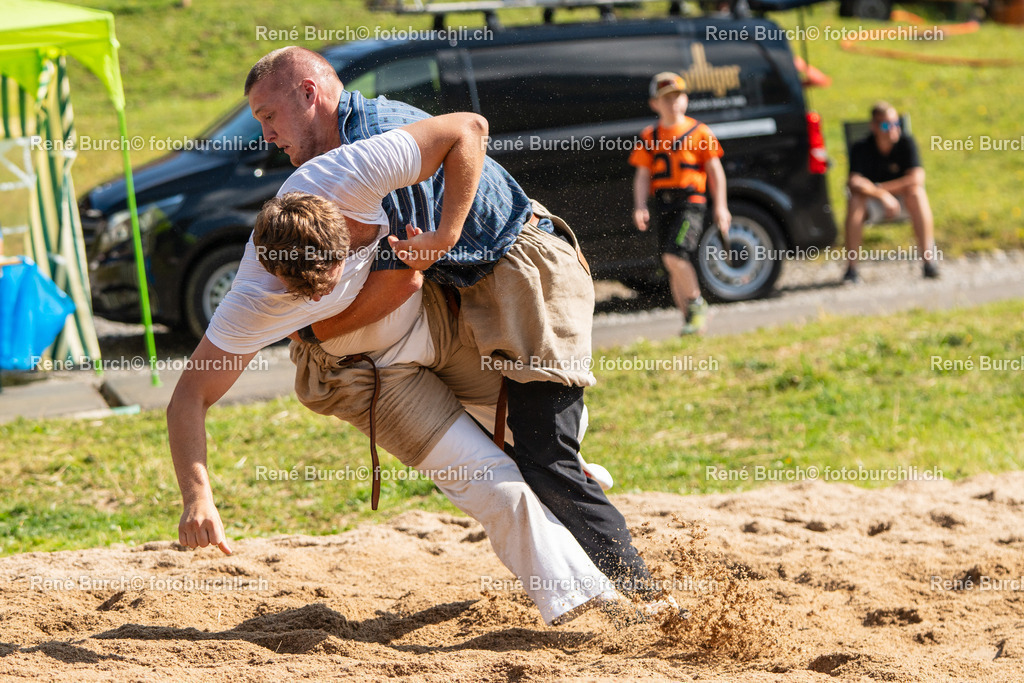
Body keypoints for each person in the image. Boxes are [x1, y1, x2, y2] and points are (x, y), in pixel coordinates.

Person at [168, 114, 633, 626]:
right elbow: (189, 398)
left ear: (344, 223)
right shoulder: (253, 301)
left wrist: (445, 234)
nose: (322, 295)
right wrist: (198, 499)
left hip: (431, 323)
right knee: (495, 486)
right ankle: (589, 605)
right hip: (364, 376)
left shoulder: (349, 173)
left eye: (329, 276)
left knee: (545, 427)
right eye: (305, 293)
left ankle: (562, 479)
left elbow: (469, 129)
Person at [243, 46, 656, 599]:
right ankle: (574, 490)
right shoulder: (350, 153)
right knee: (530, 451)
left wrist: (312, 329)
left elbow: (470, 133)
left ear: (309, 94)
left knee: (545, 453)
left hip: (525, 270)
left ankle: (646, 597)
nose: (266, 134)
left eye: (268, 116)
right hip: (482, 286)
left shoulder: (375, 139)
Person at [629, 72, 730, 335]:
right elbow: (641, 175)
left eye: (677, 97)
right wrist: (640, 206)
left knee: (676, 254)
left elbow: (715, 171)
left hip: (691, 203)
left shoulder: (700, 132)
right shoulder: (650, 136)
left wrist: (721, 206)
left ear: (685, 99)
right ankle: (689, 322)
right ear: (655, 104)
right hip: (663, 203)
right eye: (666, 99)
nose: (672, 103)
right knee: (669, 262)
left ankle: (697, 304)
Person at [843, 101, 939, 284]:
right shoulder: (861, 147)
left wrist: (880, 189)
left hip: (903, 202)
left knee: (917, 194)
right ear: (874, 126)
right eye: (886, 125)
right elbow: (854, 182)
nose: (892, 129)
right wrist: (882, 196)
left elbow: (917, 178)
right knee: (855, 200)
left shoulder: (906, 142)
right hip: (873, 205)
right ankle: (851, 269)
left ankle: (929, 262)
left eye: (896, 124)